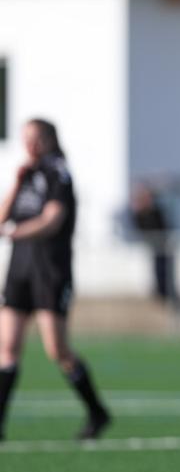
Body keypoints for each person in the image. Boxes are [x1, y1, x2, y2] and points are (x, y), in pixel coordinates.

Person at [0, 118, 110, 441]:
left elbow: (52, 219)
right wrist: (17, 183)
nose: (31, 145)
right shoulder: (26, 174)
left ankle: (97, 411)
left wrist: (15, 232)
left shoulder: (58, 172)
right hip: (19, 269)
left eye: (37, 138)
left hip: (50, 270)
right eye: (26, 139)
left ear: (50, 140)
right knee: (7, 346)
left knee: (57, 349)